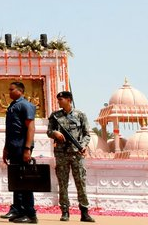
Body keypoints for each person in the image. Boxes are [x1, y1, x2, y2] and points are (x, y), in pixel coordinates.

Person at [47, 91, 95, 223]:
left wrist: (84, 145)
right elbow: (49, 132)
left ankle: (84, 212)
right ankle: (65, 211)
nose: (59, 101)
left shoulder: (80, 115)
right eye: (58, 99)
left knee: (80, 182)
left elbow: (87, 134)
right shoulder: (55, 116)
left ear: (69, 99)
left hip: (76, 154)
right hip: (61, 154)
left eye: (61, 99)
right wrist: (54, 133)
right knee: (62, 183)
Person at [1, 81, 37, 224]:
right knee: (17, 181)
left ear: (20, 91)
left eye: (11, 90)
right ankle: (20, 210)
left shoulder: (25, 105)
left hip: (22, 147)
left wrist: (27, 149)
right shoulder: (12, 106)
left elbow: (31, 128)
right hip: (13, 147)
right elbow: (10, 130)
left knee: (25, 180)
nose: (9, 92)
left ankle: (30, 213)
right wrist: (6, 148)